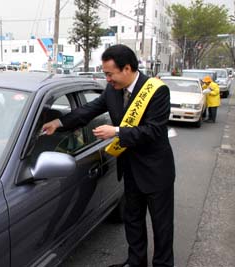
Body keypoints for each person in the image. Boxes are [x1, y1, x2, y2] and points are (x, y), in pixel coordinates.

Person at [42, 44, 176, 267]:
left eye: (109, 74)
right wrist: (59, 122)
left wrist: (115, 131)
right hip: (130, 168)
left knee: (161, 225)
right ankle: (135, 263)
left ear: (126, 68)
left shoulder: (157, 91)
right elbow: (89, 110)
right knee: (133, 221)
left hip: (156, 172)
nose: (107, 79)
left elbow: (153, 131)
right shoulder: (112, 91)